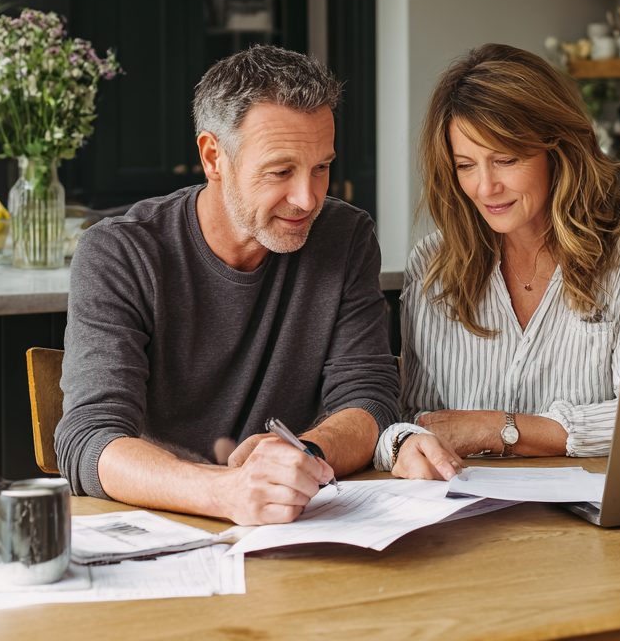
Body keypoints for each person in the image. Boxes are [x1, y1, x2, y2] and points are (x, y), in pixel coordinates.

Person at [55, 45, 399, 524]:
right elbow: (90, 438)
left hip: (294, 522)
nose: (307, 198)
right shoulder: (121, 253)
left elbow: (371, 400)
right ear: (213, 157)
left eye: (322, 167)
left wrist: (303, 456)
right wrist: (226, 492)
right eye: (281, 171)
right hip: (163, 521)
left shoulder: (345, 237)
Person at [377, 43, 620, 478]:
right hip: (466, 518)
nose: (484, 187)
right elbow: (413, 417)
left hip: (597, 522)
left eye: (506, 160)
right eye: (465, 165)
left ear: (559, 150)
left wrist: (498, 428)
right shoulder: (432, 264)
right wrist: (405, 444)